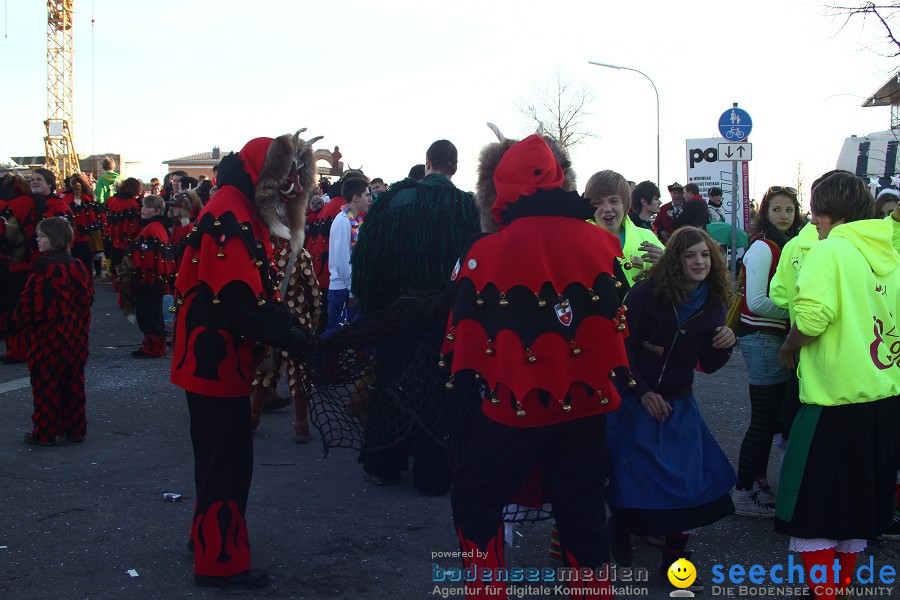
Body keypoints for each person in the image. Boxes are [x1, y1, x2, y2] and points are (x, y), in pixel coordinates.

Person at [446, 134, 629, 600]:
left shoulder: (484, 250)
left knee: (475, 496)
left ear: (498, 186)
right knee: (583, 508)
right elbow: (618, 322)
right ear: (559, 179)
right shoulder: (602, 243)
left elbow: (460, 332)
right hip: (587, 405)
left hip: (514, 407)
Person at [170, 130, 320, 590]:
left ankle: (205, 537)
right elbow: (237, 299)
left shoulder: (238, 209)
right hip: (215, 362)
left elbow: (250, 294)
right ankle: (221, 562)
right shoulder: (230, 213)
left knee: (216, 458)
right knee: (228, 462)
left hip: (216, 361)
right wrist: (292, 334)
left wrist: (287, 328)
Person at [776, 173, 900, 600]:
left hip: (833, 400)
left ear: (828, 210)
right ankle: (841, 587)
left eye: (815, 212)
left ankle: (826, 592)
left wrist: (790, 345)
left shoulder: (831, 250)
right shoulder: (889, 250)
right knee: (856, 508)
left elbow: (810, 319)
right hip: (883, 397)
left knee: (815, 510)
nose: (814, 222)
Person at [605, 226, 736, 593]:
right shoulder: (646, 293)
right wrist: (643, 393)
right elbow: (619, 348)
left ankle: (674, 559)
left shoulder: (714, 303)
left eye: (705, 255)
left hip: (679, 403)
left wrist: (726, 343)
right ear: (675, 260)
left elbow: (707, 364)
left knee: (687, 484)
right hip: (634, 401)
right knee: (634, 479)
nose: (699, 262)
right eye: (690, 255)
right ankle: (621, 525)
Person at [350, 139, 480, 492]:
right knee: (442, 389)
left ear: (428, 164)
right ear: (454, 166)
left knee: (392, 381)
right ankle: (435, 473)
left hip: (400, 312)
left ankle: (383, 464)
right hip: (447, 316)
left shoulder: (392, 201)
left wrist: (376, 311)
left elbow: (365, 263)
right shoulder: (468, 206)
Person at [732, 185, 805, 517]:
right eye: (777, 210)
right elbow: (756, 301)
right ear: (766, 212)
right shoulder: (764, 247)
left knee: (772, 418)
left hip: (770, 339)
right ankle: (744, 492)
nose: (784, 216)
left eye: (789, 210)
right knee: (764, 421)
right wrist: (797, 313)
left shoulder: (785, 244)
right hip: (762, 340)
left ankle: (756, 482)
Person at [17, 217, 92, 445]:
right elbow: (86, 301)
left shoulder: (45, 268)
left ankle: (46, 431)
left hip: (50, 337)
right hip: (75, 336)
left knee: (46, 386)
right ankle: (75, 428)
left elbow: (34, 307)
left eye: (42, 236)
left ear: (55, 239)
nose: (37, 239)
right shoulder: (77, 265)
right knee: (73, 384)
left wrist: (19, 322)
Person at [2, 168, 73, 364]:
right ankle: (17, 350)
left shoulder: (60, 206)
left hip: (48, 267)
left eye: (39, 179)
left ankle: (44, 346)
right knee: (16, 308)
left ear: (50, 183)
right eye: (32, 179)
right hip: (20, 266)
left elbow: (67, 239)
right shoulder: (16, 204)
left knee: (46, 308)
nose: (34, 182)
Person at [584, 170, 663, 287]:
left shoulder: (648, 237)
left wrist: (665, 264)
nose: (606, 208)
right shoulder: (578, 240)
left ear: (625, 204)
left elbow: (674, 282)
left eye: (613, 201)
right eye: (597, 202)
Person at [123, 195, 173, 358]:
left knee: (149, 315)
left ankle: (154, 348)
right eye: (143, 205)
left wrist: (137, 274)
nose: (143, 209)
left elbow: (147, 256)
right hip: (152, 279)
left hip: (149, 279)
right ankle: (153, 346)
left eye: (148, 206)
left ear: (158, 210)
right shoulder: (156, 227)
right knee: (152, 314)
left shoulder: (152, 228)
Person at [323, 177, 370, 337]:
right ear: (356, 198)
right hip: (342, 290)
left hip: (348, 287)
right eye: (366, 194)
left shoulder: (355, 220)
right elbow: (343, 262)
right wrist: (351, 291)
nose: (370, 199)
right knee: (335, 336)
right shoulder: (343, 222)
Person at [60, 173, 103, 277]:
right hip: (88, 234)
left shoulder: (64, 198)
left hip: (70, 236)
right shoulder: (89, 197)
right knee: (86, 265)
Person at [104, 177, 142, 289]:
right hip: (128, 240)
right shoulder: (134, 204)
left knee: (116, 264)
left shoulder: (111, 200)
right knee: (127, 268)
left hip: (113, 237)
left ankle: (117, 286)